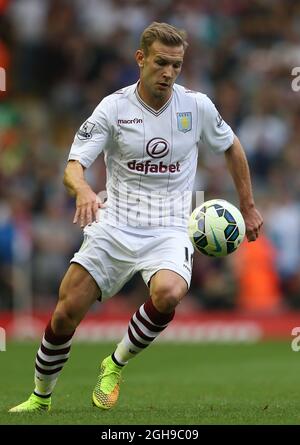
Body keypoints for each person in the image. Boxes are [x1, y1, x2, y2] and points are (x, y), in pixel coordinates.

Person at [9, 22, 263, 413]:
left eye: (176, 66)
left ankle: (114, 364)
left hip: (170, 227)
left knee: (170, 292)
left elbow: (231, 147)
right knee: (64, 315)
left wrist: (247, 206)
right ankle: (40, 398)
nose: (168, 73)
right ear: (140, 59)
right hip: (115, 224)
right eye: (161, 63)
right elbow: (73, 167)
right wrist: (84, 190)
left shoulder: (196, 106)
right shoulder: (113, 108)